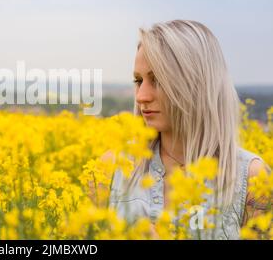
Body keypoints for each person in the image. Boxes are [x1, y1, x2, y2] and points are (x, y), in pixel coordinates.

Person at [107, 20, 269, 239]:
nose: (141, 96)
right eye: (138, 80)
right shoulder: (111, 169)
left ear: (197, 84)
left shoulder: (250, 178)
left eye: (158, 80)